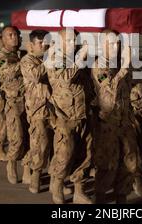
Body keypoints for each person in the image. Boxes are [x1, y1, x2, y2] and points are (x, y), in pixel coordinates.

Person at [90, 30, 142, 203]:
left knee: (129, 163)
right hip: (108, 125)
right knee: (107, 165)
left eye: (117, 44)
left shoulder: (119, 64)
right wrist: (124, 69)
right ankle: (100, 199)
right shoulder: (99, 66)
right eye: (111, 43)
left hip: (125, 122)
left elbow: (131, 89)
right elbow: (109, 94)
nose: (115, 47)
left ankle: (122, 197)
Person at [45, 28, 93, 204]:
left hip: (81, 113)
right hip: (64, 116)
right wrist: (81, 57)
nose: (73, 44)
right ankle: (56, 185)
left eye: (75, 40)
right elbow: (65, 78)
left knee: (84, 154)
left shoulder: (76, 58)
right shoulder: (53, 58)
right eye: (70, 41)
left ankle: (79, 191)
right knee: (64, 154)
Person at [20, 30, 54, 193]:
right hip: (37, 108)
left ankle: (56, 180)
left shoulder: (51, 59)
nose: (45, 45)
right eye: (41, 42)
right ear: (31, 45)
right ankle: (36, 174)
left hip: (55, 107)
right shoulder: (27, 61)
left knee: (56, 144)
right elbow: (35, 75)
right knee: (40, 142)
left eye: (46, 42)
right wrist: (50, 57)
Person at [0, 26, 27, 184]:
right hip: (12, 102)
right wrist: (26, 63)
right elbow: (8, 72)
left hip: (28, 101)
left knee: (29, 137)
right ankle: (11, 162)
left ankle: (28, 168)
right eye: (10, 35)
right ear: (3, 39)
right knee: (17, 137)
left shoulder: (22, 54)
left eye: (17, 35)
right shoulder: (0, 57)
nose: (15, 38)